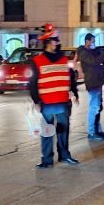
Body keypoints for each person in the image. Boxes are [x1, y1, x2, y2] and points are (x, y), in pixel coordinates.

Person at [29, 29, 80, 169]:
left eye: (57, 41)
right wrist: (36, 101)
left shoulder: (64, 60)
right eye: (54, 41)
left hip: (63, 103)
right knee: (47, 132)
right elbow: (32, 83)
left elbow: (71, 79)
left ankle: (64, 155)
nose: (57, 44)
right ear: (47, 43)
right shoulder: (37, 61)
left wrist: (75, 94)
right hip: (46, 104)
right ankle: (47, 160)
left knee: (63, 131)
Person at [76, 32, 104, 140]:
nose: (94, 43)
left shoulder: (91, 51)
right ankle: (92, 133)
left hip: (98, 82)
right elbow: (95, 62)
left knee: (98, 107)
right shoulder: (84, 53)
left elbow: (101, 60)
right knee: (94, 108)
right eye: (93, 41)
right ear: (87, 41)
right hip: (92, 83)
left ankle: (98, 130)